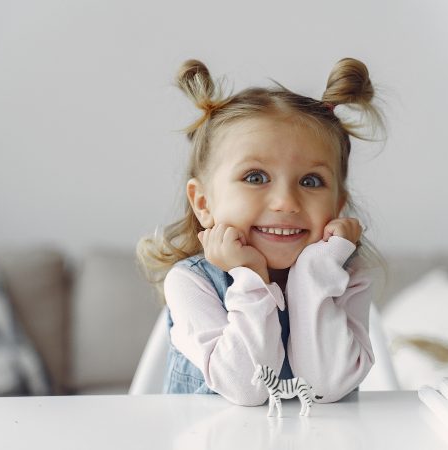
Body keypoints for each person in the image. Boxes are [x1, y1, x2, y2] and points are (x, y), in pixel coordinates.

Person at [136, 58, 386, 406]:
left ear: (337, 205)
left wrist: (313, 277)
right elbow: (247, 388)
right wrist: (250, 276)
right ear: (204, 203)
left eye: (311, 181)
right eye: (255, 177)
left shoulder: (346, 279)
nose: (285, 202)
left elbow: (325, 387)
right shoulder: (190, 283)